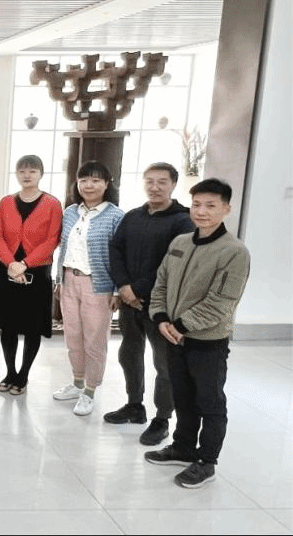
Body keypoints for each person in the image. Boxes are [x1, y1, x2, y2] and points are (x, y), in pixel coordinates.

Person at [144, 178, 250, 489]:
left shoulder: (234, 251)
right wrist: (161, 318)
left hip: (207, 341)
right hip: (174, 337)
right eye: (196, 205)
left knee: (210, 401)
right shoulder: (180, 242)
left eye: (210, 205)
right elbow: (161, 282)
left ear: (226, 209)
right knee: (183, 396)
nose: (201, 211)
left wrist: (180, 326)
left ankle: (207, 461)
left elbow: (222, 301)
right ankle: (183, 447)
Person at [105, 162, 195, 445]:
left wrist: (138, 288)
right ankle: (135, 405)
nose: (155, 187)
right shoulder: (133, 216)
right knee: (129, 353)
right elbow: (115, 250)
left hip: (161, 306)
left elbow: (172, 264)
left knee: (164, 364)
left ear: (173, 184)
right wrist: (123, 286)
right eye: (150, 181)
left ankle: (162, 419)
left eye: (162, 182)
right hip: (130, 301)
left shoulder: (183, 221)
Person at [52, 161, 125, 416]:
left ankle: (90, 391)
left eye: (95, 180)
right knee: (72, 337)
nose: (89, 185)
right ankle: (77, 382)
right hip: (69, 281)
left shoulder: (116, 216)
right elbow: (64, 248)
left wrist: (116, 290)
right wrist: (59, 280)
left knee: (94, 340)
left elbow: (120, 256)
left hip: (98, 285)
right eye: (83, 180)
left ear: (106, 184)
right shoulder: (70, 212)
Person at [0, 155, 63, 395]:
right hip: (8, 269)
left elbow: (52, 239)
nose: (27, 175)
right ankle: (10, 372)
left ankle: (23, 375)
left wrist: (25, 263)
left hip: (37, 271)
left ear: (41, 174)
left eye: (32, 170)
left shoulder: (52, 204)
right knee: (8, 326)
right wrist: (11, 263)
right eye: (22, 171)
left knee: (33, 327)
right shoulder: (6, 203)